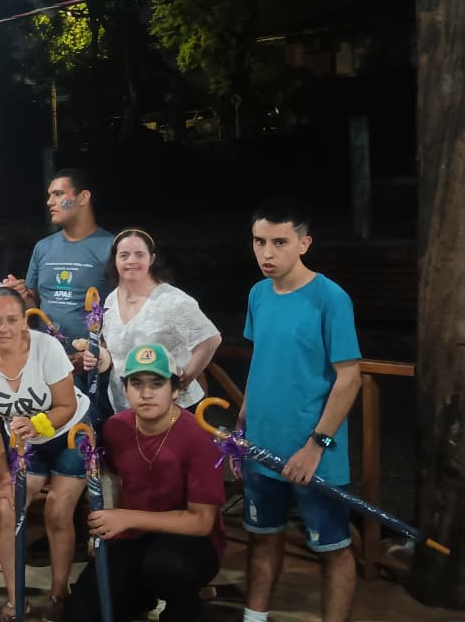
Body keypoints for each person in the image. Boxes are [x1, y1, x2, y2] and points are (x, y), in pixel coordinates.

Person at [239, 197, 360, 622]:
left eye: (279, 242)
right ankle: (254, 618)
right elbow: (262, 359)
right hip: (261, 447)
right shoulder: (258, 293)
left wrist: (315, 445)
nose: (266, 253)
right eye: (259, 242)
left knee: (333, 548)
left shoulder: (331, 298)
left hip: (315, 453)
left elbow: (350, 377)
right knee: (262, 538)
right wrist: (244, 418)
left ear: (304, 243)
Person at [65, 344, 225, 622]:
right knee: (81, 612)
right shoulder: (116, 427)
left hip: (189, 542)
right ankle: (141, 596)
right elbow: (111, 479)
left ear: (175, 390)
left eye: (157, 384)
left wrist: (125, 517)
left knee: (166, 568)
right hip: (134, 537)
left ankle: (183, 608)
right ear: (126, 389)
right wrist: (105, 528)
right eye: (137, 384)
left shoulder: (199, 438)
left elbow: (201, 522)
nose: (146, 393)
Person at [0, 287, 91, 621]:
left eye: (11, 320)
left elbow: (67, 405)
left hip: (69, 432)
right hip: (24, 442)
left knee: (57, 510)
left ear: (24, 321)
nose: (3, 328)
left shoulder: (46, 347)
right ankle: (15, 597)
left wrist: (38, 424)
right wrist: (3, 475)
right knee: (1, 509)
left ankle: (59, 592)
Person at [3, 169, 113, 420]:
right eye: (50, 195)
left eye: (58, 194)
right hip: (48, 363)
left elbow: (123, 309)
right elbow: (34, 304)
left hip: (93, 366)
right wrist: (20, 294)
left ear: (83, 197)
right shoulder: (43, 247)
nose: (49, 202)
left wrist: (97, 352)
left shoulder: (110, 247)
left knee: (90, 431)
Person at [83, 228, 222, 414]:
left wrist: (184, 380)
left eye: (139, 254)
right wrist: (99, 357)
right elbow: (115, 352)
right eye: (124, 255)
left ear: (152, 259)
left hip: (173, 409)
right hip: (124, 407)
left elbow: (210, 339)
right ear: (115, 260)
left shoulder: (173, 300)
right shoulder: (111, 300)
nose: (131, 261)